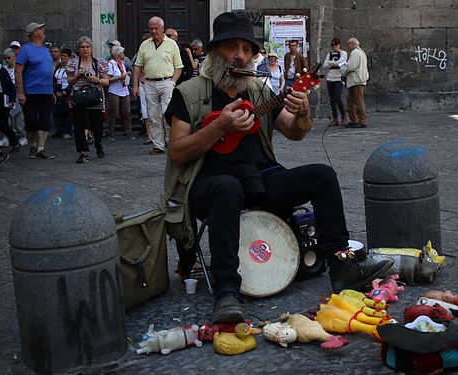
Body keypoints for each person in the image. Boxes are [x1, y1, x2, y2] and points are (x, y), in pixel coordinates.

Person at [164, 12, 392, 324]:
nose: (241, 56)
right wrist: (219, 127)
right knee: (227, 188)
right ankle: (227, 291)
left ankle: (341, 265)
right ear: (216, 53)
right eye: (232, 47)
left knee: (322, 176)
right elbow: (176, 152)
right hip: (210, 185)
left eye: (247, 49)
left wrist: (301, 112)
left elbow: (293, 131)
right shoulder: (188, 94)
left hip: (259, 180)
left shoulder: (259, 90)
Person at [132, 16, 183, 155]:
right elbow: (137, 66)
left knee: (167, 113)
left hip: (167, 82)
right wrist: (135, 86)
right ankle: (158, 145)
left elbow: (179, 67)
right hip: (149, 83)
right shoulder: (145, 45)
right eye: (151, 28)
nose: (154, 31)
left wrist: (172, 82)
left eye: (156, 28)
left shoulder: (172, 44)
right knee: (153, 116)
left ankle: (171, 142)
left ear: (163, 29)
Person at [65, 36, 109, 164]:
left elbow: (106, 81)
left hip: (95, 98)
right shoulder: (73, 63)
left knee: (97, 127)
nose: (85, 49)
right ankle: (83, 152)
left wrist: (97, 80)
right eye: (82, 47)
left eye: (87, 47)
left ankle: (98, 144)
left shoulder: (99, 62)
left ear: (91, 48)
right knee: (79, 126)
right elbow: (69, 81)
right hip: (78, 98)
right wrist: (78, 74)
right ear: (78, 49)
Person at [15, 22, 55, 159]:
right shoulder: (25, 49)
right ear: (34, 33)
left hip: (46, 91)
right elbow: (18, 71)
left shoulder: (45, 50)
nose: (44, 30)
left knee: (44, 120)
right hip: (31, 91)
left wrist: (52, 91)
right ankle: (32, 145)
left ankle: (40, 148)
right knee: (31, 121)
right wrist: (20, 92)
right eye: (40, 29)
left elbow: (48, 71)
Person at [0, 48, 27, 148]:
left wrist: (16, 97)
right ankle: (6, 138)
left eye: (9, 58)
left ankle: (22, 136)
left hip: (15, 94)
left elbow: (15, 85)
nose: (7, 60)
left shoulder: (16, 69)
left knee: (18, 117)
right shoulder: (5, 69)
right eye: (5, 58)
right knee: (6, 120)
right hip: (4, 96)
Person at [106, 45, 135, 141]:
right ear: (118, 54)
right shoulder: (111, 64)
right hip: (114, 91)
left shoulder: (122, 63)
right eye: (122, 53)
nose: (124, 55)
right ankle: (109, 132)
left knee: (126, 111)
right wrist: (121, 77)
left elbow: (125, 74)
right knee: (113, 112)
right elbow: (108, 79)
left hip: (124, 90)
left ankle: (128, 131)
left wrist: (127, 75)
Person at [340, 37, 369, 129]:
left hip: (356, 80)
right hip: (356, 80)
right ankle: (354, 120)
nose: (347, 46)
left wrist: (343, 70)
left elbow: (351, 66)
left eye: (348, 44)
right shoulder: (361, 52)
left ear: (352, 44)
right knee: (352, 101)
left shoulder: (355, 53)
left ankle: (362, 121)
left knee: (358, 101)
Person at [323, 38, 347, 127]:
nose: (334, 47)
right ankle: (335, 118)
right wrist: (333, 63)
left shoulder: (343, 53)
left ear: (339, 44)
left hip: (339, 77)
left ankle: (343, 115)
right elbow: (325, 65)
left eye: (335, 45)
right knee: (332, 99)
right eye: (332, 45)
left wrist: (331, 63)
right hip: (330, 77)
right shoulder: (329, 54)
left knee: (337, 97)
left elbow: (341, 62)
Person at [0, 58, 20, 152]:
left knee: (3, 125)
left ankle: (15, 142)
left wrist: (11, 101)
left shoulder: (2, 71)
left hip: (1, 100)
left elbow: (11, 88)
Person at [52, 48, 73, 140]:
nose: (63, 58)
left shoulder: (71, 68)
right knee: (57, 112)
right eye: (62, 56)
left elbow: (72, 81)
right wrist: (55, 90)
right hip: (58, 90)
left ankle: (68, 131)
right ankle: (59, 130)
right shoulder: (59, 66)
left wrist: (66, 91)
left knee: (67, 112)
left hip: (67, 90)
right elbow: (54, 78)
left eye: (65, 56)